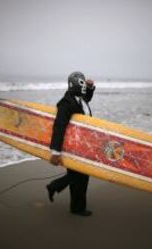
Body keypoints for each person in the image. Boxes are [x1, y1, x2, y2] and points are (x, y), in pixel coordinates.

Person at [46, 71, 95, 217]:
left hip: (82, 145)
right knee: (80, 176)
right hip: (71, 147)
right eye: (82, 83)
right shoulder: (66, 103)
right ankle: (77, 208)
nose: (84, 86)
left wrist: (91, 88)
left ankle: (56, 188)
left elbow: (87, 99)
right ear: (74, 85)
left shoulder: (80, 99)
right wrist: (55, 152)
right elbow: (59, 126)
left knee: (80, 175)